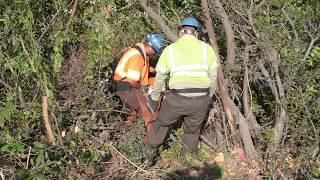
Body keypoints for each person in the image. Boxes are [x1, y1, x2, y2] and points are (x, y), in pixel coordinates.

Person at [144, 17, 219, 165]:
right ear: (196, 33)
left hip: (178, 98)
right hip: (201, 99)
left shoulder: (170, 50)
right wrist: (207, 98)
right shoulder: (207, 49)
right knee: (192, 131)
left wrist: (154, 99)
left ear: (181, 31)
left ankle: (147, 158)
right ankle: (188, 162)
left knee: (161, 124)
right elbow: (213, 78)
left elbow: (159, 79)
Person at [113, 33, 165, 129]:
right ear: (150, 47)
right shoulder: (138, 57)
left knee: (134, 112)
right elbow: (132, 81)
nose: (154, 54)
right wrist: (144, 89)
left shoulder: (139, 50)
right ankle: (146, 136)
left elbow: (142, 67)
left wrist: (153, 70)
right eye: (154, 52)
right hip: (126, 87)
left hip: (126, 85)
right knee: (145, 111)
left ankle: (127, 129)